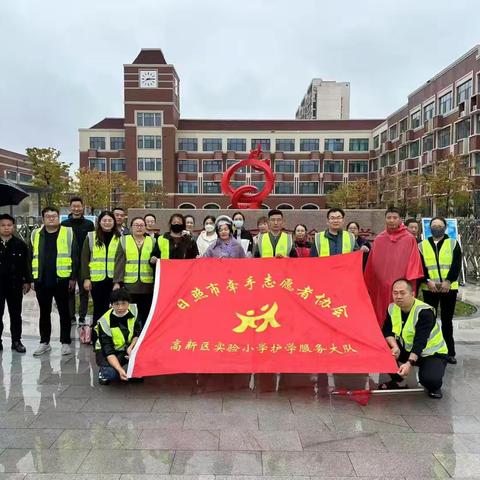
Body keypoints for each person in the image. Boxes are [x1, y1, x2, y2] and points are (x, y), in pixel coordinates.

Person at [382, 278, 448, 399]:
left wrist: (409, 363)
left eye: (402, 293)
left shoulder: (424, 312)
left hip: (431, 353)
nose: (398, 296)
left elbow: (420, 341)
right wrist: (395, 347)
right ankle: (398, 379)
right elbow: (387, 330)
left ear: (412, 294)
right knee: (382, 349)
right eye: (395, 293)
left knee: (430, 380)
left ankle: (434, 385)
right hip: (407, 349)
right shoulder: (392, 308)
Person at [31, 206, 78, 356]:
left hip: (62, 280)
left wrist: (73, 278)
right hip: (42, 280)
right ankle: (44, 342)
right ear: (43, 218)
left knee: (64, 312)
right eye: (48, 216)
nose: (51, 218)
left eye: (54, 216)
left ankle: (65, 342)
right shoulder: (35, 234)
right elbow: (30, 256)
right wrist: (32, 279)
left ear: (59, 217)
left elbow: (75, 257)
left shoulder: (68, 233)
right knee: (44, 313)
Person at [364, 207, 424, 326]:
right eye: (389, 218)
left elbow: (414, 263)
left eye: (395, 218)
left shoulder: (409, 238)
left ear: (400, 219)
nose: (391, 220)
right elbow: (372, 264)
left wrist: (409, 283)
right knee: (381, 314)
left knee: (401, 315)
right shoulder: (379, 239)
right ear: (385, 219)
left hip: (401, 285)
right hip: (381, 286)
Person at [418, 216, 462, 365]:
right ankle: (431, 350)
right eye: (434, 225)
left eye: (440, 225)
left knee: (447, 321)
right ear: (430, 228)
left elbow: (456, 264)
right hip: (429, 288)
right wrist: (427, 281)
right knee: (429, 320)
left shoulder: (453, 243)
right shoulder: (422, 245)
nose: (437, 227)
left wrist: (448, 281)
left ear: (445, 227)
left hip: (449, 288)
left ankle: (450, 352)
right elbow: (420, 266)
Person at [81, 211, 121, 344]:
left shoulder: (120, 237)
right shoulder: (91, 237)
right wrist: (86, 278)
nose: (107, 222)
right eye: (104, 220)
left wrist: (118, 281)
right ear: (99, 222)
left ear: (114, 222)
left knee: (116, 309)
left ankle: (112, 338)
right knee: (99, 309)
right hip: (97, 280)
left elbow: (122, 260)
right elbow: (84, 259)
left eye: (110, 220)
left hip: (114, 280)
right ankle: (97, 338)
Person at [95, 288, 142, 385]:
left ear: (128, 303)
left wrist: (131, 347)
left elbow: (137, 333)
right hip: (107, 352)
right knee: (112, 375)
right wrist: (120, 370)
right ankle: (104, 372)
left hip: (126, 348)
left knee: (140, 373)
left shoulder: (134, 311)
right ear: (111, 305)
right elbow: (108, 351)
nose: (120, 307)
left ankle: (130, 367)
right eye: (116, 304)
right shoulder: (104, 322)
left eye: (124, 303)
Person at [113, 217, 154, 327]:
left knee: (147, 313)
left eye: (142, 225)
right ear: (131, 227)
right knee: (131, 315)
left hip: (148, 286)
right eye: (136, 225)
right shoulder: (124, 240)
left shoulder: (153, 241)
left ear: (145, 227)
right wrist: (117, 282)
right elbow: (119, 263)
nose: (139, 227)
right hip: (130, 286)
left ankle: (143, 338)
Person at [0, 214, 32, 353]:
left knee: (15, 314)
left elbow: (26, 264)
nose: (6, 228)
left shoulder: (20, 244)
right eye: (3, 225)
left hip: (15, 284)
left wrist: (27, 281)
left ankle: (16, 341)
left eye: (9, 225)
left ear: (13, 226)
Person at [61, 196, 94, 326]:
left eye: (78, 206)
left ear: (82, 207)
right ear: (70, 208)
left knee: (84, 292)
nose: (76, 209)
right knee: (69, 290)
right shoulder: (64, 225)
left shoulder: (89, 224)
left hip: (84, 263)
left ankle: (82, 316)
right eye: (74, 206)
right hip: (68, 262)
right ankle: (71, 317)